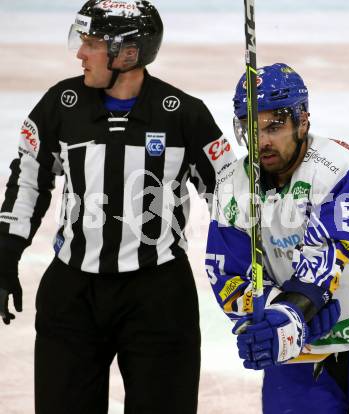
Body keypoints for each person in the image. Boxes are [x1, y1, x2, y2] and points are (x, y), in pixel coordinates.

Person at [0, 1, 235, 413]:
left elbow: (231, 198)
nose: (80, 54)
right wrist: (3, 256)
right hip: (73, 295)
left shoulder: (183, 115)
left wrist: (258, 263)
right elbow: (28, 182)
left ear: (128, 53)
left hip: (158, 296)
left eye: (90, 43)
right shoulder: (60, 105)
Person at [205, 62, 349, 413]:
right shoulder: (231, 188)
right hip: (298, 351)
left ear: (303, 120)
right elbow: (228, 276)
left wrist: (295, 309)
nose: (262, 140)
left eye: (275, 126)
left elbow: (328, 250)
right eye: (250, 128)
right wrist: (274, 317)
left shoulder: (341, 168)